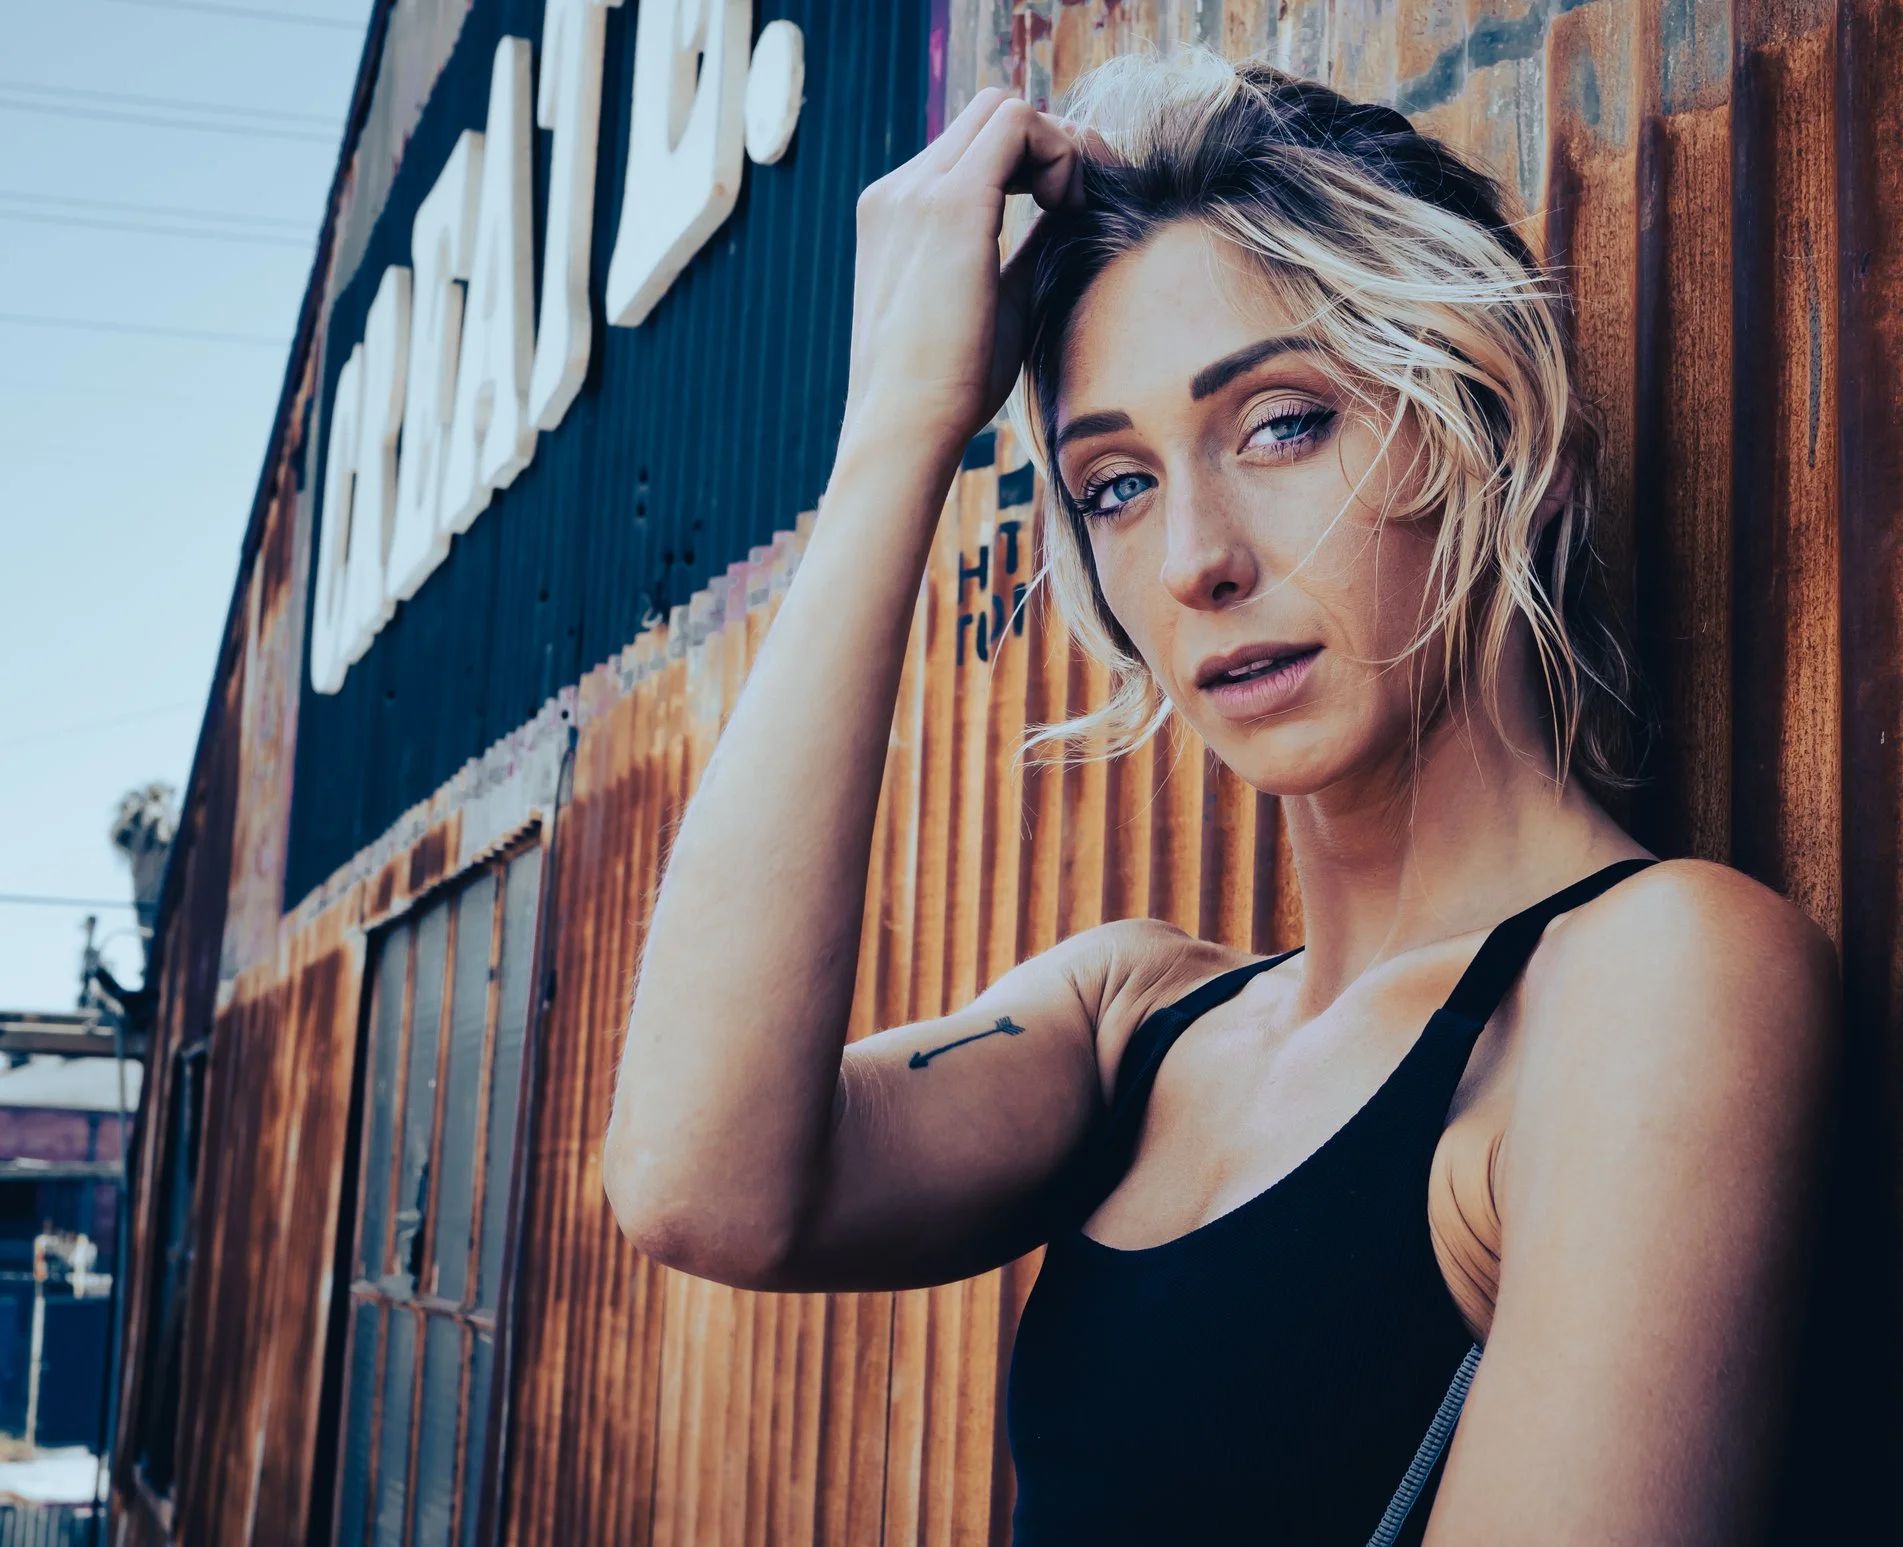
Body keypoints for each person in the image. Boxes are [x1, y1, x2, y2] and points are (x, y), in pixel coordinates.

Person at [605, 50, 1838, 1546]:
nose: (1196, 556)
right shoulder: (1135, 1021)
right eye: (1115, 482)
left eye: (1281, 422)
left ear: (1507, 443)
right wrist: (896, 438)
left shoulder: (1652, 981)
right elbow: (699, 1183)